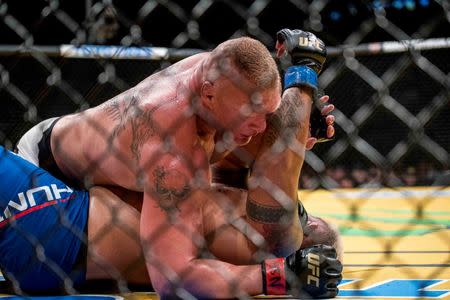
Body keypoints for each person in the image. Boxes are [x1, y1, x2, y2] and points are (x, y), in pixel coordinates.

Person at [15, 29, 338, 297]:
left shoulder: (212, 78)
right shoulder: (174, 154)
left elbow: (253, 130)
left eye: (268, 114)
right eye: (253, 113)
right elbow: (172, 281)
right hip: (51, 168)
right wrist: (279, 276)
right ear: (209, 95)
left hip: (93, 167)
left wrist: (294, 133)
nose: (262, 125)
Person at [0, 146, 342, 298]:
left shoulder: (247, 243)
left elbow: (189, 279)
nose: (294, 207)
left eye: (307, 221)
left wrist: (282, 276)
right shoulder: (234, 214)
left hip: (56, 220)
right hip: (60, 242)